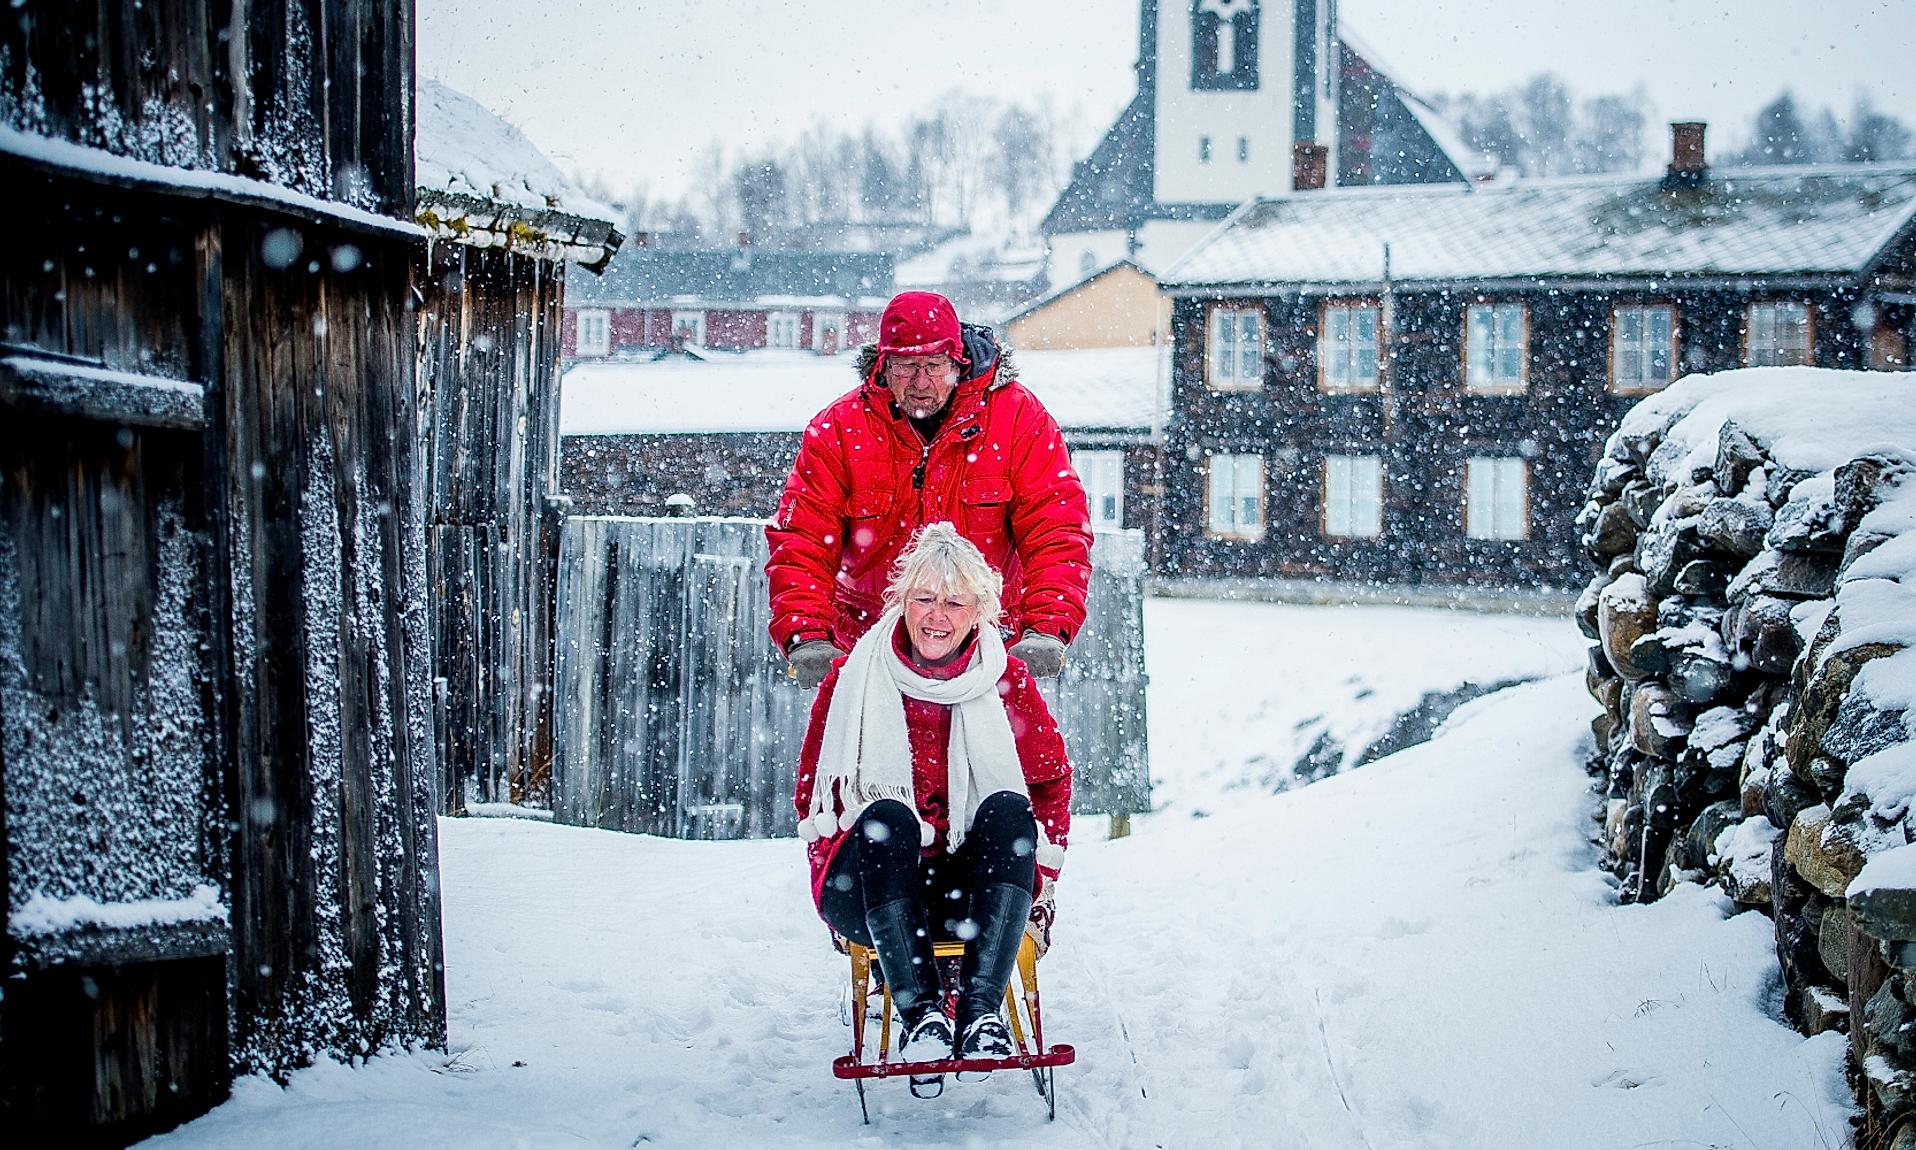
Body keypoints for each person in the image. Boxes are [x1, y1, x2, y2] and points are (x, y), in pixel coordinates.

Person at [793, 523, 1070, 1098]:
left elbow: (1049, 788)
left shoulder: (1006, 681)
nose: (936, 615)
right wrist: (830, 861)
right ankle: (921, 1018)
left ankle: (980, 1014)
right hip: (871, 886)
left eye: (953, 601)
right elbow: (813, 792)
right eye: (922, 597)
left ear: (979, 612)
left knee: (1010, 810)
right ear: (900, 600)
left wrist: (1036, 881)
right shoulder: (855, 677)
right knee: (885, 817)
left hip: (972, 891)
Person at [766, 290, 1093, 688]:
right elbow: (803, 540)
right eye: (906, 366)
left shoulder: (1018, 419)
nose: (921, 383)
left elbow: (1056, 528)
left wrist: (1046, 628)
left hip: (987, 653)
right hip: (869, 654)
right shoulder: (837, 430)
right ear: (883, 365)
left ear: (958, 363)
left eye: (935, 365)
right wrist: (808, 635)